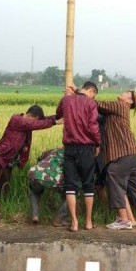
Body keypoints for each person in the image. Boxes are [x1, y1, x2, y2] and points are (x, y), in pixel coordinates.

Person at [0, 105, 62, 218]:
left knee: (4, 187)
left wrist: (59, 116)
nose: (36, 123)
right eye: (36, 120)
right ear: (31, 116)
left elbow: (42, 120)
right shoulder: (17, 120)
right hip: (0, 157)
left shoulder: (27, 122)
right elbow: (36, 124)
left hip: (9, 161)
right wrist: (55, 122)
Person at [95, 89, 136, 230]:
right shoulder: (119, 110)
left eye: (125, 93)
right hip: (133, 152)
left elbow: (95, 103)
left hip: (123, 152)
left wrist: (78, 93)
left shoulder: (120, 105)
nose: (122, 93)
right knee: (134, 185)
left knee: (113, 174)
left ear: (129, 101)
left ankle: (124, 220)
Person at [56, 81, 100, 232]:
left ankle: (74, 222)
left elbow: (58, 114)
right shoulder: (90, 104)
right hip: (86, 148)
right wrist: (98, 144)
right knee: (88, 184)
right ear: (92, 92)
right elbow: (93, 126)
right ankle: (88, 222)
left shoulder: (66, 100)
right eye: (94, 95)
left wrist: (67, 97)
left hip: (69, 148)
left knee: (70, 185)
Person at [27, 147, 69, 226]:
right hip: (50, 177)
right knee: (71, 192)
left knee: (35, 192)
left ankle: (35, 215)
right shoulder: (71, 153)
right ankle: (60, 218)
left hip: (34, 172)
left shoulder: (55, 150)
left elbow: (41, 157)